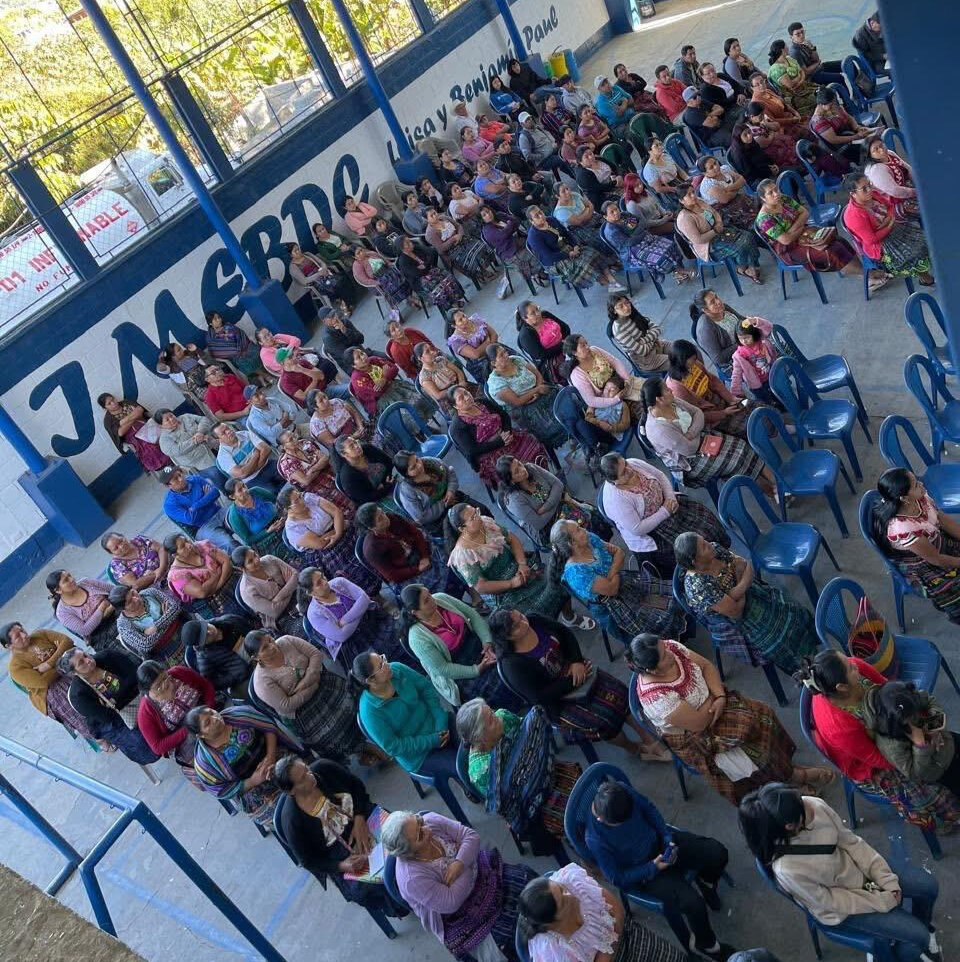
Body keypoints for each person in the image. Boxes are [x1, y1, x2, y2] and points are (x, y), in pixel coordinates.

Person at [739, 784, 942, 962]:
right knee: (919, 937)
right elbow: (830, 901)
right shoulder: (786, 868)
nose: (812, 805)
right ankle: (894, 954)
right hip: (842, 908)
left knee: (928, 887)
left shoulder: (811, 804)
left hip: (860, 876)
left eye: (802, 799)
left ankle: (915, 930)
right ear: (789, 826)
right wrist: (881, 900)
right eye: (803, 808)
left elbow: (851, 842)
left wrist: (884, 879)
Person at [631, 634, 827, 804]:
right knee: (751, 755)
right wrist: (714, 698)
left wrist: (720, 697)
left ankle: (785, 768)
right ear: (653, 671)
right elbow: (699, 722)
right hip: (697, 736)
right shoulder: (656, 697)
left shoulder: (671, 647)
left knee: (763, 714)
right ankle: (791, 779)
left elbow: (707, 666)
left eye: (665, 647)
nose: (670, 652)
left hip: (716, 702)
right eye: (665, 656)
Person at [798, 649, 960, 833]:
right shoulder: (839, 726)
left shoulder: (856, 670)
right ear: (841, 687)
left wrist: (931, 727)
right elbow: (882, 761)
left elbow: (892, 692)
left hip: (902, 736)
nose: (854, 662)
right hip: (873, 763)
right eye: (849, 667)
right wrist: (921, 745)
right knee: (932, 790)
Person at [586, 779, 733, 961]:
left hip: (661, 844)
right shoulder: (595, 839)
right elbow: (617, 878)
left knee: (718, 853)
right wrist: (652, 867)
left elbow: (649, 809)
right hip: (645, 871)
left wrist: (666, 837)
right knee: (694, 904)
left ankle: (706, 882)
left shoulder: (622, 791)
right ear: (601, 820)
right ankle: (708, 945)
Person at [383, 809, 536, 962]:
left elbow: (471, 836)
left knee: (531, 884)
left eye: (419, 821)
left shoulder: (429, 820)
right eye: (420, 835)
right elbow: (452, 902)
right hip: (458, 915)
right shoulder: (411, 878)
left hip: (483, 872)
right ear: (409, 853)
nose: (426, 828)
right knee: (510, 937)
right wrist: (467, 857)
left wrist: (459, 863)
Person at [273, 756, 406, 916]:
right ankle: (406, 900)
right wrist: (342, 866)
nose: (310, 775)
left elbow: (356, 786)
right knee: (372, 884)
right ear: (292, 791)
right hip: (337, 852)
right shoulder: (292, 821)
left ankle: (421, 875)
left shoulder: (324, 768)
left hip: (362, 816)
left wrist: (359, 818)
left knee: (401, 832)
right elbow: (308, 860)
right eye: (303, 778)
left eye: (307, 769)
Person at [488, 607, 636, 749]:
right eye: (517, 625)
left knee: (620, 692)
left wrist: (576, 661)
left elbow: (565, 633)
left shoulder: (534, 620)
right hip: (559, 701)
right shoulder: (512, 664)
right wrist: (573, 681)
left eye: (520, 616)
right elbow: (539, 697)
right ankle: (633, 748)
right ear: (508, 636)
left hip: (575, 670)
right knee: (605, 719)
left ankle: (648, 739)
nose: (524, 622)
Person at [678, 532, 818, 674]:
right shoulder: (697, 586)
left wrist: (734, 592)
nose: (709, 543)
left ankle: (816, 655)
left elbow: (746, 565)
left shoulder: (715, 549)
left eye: (704, 540)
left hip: (752, 595)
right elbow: (737, 613)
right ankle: (807, 672)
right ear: (695, 561)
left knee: (795, 612)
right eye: (703, 546)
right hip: (734, 623)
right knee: (780, 641)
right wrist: (742, 579)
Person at [459, 700, 583, 845]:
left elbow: (531, 735)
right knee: (578, 824)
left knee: (589, 792)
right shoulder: (481, 771)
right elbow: (509, 799)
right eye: (492, 721)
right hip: (531, 805)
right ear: (481, 738)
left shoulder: (503, 717)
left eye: (491, 712)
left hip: (547, 771)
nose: (498, 717)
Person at [518, 863, 686, 962]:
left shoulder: (570, 880)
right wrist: (613, 935)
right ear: (551, 923)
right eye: (563, 900)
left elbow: (618, 910)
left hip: (631, 934)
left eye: (561, 889)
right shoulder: (553, 953)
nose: (569, 894)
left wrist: (609, 945)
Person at [549, 520, 685, 641]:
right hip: (611, 606)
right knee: (650, 632)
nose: (584, 529)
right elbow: (612, 589)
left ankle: (681, 631)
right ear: (571, 543)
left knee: (670, 597)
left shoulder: (588, 538)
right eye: (578, 530)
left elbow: (619, 552)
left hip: (625, 581)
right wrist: (615, 566)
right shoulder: (576, 573)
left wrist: (610, 575)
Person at [447, 503, 581, 624]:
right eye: (473, 517)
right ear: (462, 528)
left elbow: (512, 539)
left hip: (518, 568)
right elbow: (481, 586)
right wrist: (511, 583)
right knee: (533, 616)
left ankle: (569, 617)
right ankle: (551, 633)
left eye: (476, 511)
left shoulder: (485, 524)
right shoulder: (463, 555)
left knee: (559, 581)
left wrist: (522, 564)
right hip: (502, 592)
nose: (478, 516)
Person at [245, 630, 366, 763]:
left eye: (270, 639)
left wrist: (306, 681)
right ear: (256, 657)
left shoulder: (286, 641)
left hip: (325, 684)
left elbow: (315, 654)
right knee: (336, 732)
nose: (272, 645)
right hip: (304, 712)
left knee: (358, 704)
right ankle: (362, 751)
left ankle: (370, 735)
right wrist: (313, 684)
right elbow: (286, 705)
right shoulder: (261, 681)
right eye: (265, 647)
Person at [600, 453, 729, 573]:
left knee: (709, 523)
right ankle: (714, 574)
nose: (629, 469)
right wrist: (665, 512)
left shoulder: (633, 463)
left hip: (669, 505)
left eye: (625, 464)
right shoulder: (615, 500)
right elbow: (637, 529)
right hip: (655, 531)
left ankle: (723, 557)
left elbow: (660, 475)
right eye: (623, 472)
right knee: (693, 550)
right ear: (615, 482)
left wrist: (670, 498)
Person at [186, 703, 303, 828]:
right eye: (207, 722)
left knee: (305, 784)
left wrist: (270, 757)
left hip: (276, 758)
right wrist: (253, 780)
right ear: (201, 735)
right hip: (251, 789)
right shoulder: (204, 763)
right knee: (286, 819)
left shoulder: (240, 715)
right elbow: (221, 790)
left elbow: (269, 727)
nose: (215, 718)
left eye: (212, 712)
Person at [401, 585, 518, 710]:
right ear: (415, 612)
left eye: (429, 594)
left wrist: (487, 641)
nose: (432, 599)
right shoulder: (417, 638)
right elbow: (442, 668)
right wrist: (476, 670)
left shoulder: (441, 598)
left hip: (478, 644)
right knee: (497, 686)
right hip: (459, 668)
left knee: (512, 660)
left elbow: (472, 615)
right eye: (426, 601)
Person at [872, 468, 960, 623]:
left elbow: (940, 517)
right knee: (954, 586)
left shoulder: (919, 497)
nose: (921, 484)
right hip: (924, 562)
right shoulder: (903, 528)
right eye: (915, 485)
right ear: (904, 498)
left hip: (935, 541)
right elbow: (936, 559)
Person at [353, 650, 456, 775]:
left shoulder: (397, 668)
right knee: (460, 766)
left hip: (437, 722)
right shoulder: (369, 711)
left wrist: (441, 723)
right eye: (381, 666)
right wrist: (432, 740)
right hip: (419, 755)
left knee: (477, 735)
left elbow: (426, 689)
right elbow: (394, 746)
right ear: (370, 680)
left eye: (382, 658)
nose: (387, 664)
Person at [58, 648, 159, 764]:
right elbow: (105, 716)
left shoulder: (108, 656)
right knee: (145, 747)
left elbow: (134, 674)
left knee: (166, 711)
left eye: (85, 655)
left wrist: (124, 700)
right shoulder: (78, 695)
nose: (88, 660)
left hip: (136, 696)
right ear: (74, 673)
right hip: (113, 719)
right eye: (81, 663)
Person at [1, 623, 95, 741]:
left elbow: (67, 641)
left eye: (22, 630)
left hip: (68, 668)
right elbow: (43, 682)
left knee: (86, 664)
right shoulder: (15, 666)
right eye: (17, 636)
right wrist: (61, 661)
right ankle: (99, 737)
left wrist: (48, 664)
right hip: (50, 690)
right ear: (8, 646)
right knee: (69, 697)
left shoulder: (40, 634)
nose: (24, 635)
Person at [863, 680, 960, 795]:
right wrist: (920, 746)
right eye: (907, 722)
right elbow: (915, 773)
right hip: (941, 770)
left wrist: (934, 725)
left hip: (949, 742)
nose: (915, 720)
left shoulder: (905, 696)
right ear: (893, 724)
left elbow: (928, 700)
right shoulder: (890, 745)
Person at [279, 487, 381, 596]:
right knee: (355, 569)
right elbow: (320, 543)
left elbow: (336, 512)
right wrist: (339, 529)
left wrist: (337, 533)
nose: (302, 500)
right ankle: (375, 597)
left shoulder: (308, 498)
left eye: (300, 496)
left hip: (340, 528)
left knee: (372, 543)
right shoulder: (292, 528)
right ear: (287, 509)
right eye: (297, 501)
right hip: (326, 551)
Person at [448, 385, 552, 486]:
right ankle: (538, 490)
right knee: (517, 469)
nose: (467, 397)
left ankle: (548, 480)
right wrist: (500, 442)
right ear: (455, 406)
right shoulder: (457, 427)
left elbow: (503, 414)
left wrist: (507, 432)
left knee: (534, 445)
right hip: (490, 455)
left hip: (508, 437)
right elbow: (472, 450)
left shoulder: (482, 402)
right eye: (461, 398)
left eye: (466, 393)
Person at [755, 179, 859, 280]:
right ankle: (868, 274)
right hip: (789, 250)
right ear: (763, 198)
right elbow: (785, 240)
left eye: (776, 189)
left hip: (804, 233)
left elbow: (805, 213)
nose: (776, 194)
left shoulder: (783, 199)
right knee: (831, 252)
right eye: (770, 193)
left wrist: (792, 230)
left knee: (839, 240)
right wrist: (800, 226)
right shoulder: (764, 219)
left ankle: (865, 274)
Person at [298, 567, 399, 666]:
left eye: (323, 577)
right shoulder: (314, 614)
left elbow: (365, 598)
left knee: (400, 637)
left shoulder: (339, 582)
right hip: (354, 642)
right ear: (311, 593)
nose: (325, 582)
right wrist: (360, 610)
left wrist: (345, 620)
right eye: (319, 583)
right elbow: (341, 636)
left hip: (372, 618)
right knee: (381, 664)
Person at [843, 174, 933, 284]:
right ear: (853, 194)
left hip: (895, 228)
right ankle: (927, 279)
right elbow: (871, 239)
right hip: (881, 246)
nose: (870, 190)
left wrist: (889, 219)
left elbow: (890, 206)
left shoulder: (873, 194)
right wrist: (889, 224)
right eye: (864, 189)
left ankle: (931, 273)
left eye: (869, 185)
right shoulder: (853, 216)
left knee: (928, 240)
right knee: (914, 256)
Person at [497, 456, 610, 545]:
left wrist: (546, 507)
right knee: (582, 529)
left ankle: (605, 548)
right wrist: (558, 498)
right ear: (511, 481)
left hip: (561, 505)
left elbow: (558, 484)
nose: (523, 470)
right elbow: (539, 523)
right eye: (517, 471)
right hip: (546, 528)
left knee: (592, 515)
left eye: (519, 464)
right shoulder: (514, 500)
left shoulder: (531, 468)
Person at [356, 503, 455, 595]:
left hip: (419, 550)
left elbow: (416, 533)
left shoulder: (392, 518)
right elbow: (391, 574)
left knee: (452, 563)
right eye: (380, 518)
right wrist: (417, 569)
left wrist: (424, 556)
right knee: (434, 591)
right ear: (371, 528)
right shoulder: (372, 548)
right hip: (406, 569)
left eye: (382, 512)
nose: (385, 517)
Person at [666, 339, 757, 438]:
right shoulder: (676, 388)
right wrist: (723, 413)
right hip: (712, 416)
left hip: (721, 401)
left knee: (754, 408)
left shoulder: (694, 365)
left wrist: (730, 398)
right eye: (692, 358)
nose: (695, 360)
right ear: (681, 361)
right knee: (750, 425)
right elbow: (697, 414)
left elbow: (713, 381)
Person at [135, 661, 215, 774]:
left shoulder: (178, 672)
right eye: (158, 686)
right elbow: (158, 746)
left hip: (207, 712)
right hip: (185, 740)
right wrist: (190, 728)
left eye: (164, 677)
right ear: (148, 691)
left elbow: (205, 686)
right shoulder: (145, 712)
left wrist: (208, 709)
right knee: (212, 764)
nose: (165, 685)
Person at [676, 185, 762, 284]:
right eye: (688, 195)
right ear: (681, 200)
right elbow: (699, 240)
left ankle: (751, 266)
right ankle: (742, 268)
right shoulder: (684, 218)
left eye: (693, 192)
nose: (693, 195)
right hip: (709, 245)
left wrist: (719, 223)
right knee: (741, 245)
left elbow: (715, 213)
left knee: (748, 235)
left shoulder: (699, 202)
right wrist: (716, 231)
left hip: (719, 231)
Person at [486, 345, 566, 449]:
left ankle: (581, 435)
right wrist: (537, 390)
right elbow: (517, 401)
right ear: (493, 363)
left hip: (540, 393)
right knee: (557, 422)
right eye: (501, 355)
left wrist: (538, 388)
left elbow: (537, 374)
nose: (506, 355)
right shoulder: (496, 383)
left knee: (568, 401)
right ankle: (570, 437)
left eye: (505, 351)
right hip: (524, 409)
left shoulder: (516, 360)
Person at [601, 201, 689, 283]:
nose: (616, 213)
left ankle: (679, 270)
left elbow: (642, 222)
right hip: (631, 251)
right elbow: (629, 242)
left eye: (616, 209)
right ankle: (678, 272)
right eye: (611, 212)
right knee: (660, 257)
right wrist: (639, 232)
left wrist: (636, 233)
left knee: (670, 245)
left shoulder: (625, 215)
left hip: (644, 238)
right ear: (605, 217)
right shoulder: (611, 231)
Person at [163, 533, 244, 619]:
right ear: (175, 555)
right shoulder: (177, 576)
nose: (189, 545)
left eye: (186, 540)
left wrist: (218, 584)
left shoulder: (203, 545)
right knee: (238, 618)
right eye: (183, 546)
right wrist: (216, 574)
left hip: (231, 577)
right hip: (215, 601)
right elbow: (202, 592)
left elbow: (227, 562)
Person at [345, 347, 435, 422]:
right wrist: (385, 374)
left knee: (421, 397)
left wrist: (383, 378)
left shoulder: (373, 360)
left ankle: (426, 425)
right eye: (358, 357)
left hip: (395, 387)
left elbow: (394, 368)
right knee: (407, 416)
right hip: (382, 402)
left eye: (362, 353)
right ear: (354, 365)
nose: (363, 357)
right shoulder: (357, 379)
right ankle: (422, 433)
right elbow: (377, 391)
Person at [276, 430, 353, 515]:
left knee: (350, 484)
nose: (295, 439)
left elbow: (326, 458)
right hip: (317, 488)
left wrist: (313, 469)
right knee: (344, 509)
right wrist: (320, 464)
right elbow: (306, 481)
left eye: (294, 436)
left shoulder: (305, 443)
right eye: (291, 440)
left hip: (331, 474)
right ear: (283, 447)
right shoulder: (286, 463)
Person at [110, 584, 185, 666]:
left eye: (133, 593)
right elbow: (146, 644)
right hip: (167, 653)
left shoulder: (150, 592)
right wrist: (166, 616)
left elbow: (175, 608)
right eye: (130, 602)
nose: (136, 598)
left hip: (182, 627)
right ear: (122, 609)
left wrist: (154, 628)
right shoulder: (123, 625)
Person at [160, 467, 234, 550]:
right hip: (202, 527)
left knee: (241, 517)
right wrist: (205, 497)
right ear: (168, 486)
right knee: (228, 542)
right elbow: (191, 519)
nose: (181, 479)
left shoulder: (194, 479)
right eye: (176, 479)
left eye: (180, 475)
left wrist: (195, 506)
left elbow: (215, 492)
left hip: (218, 512)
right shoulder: (169, 505)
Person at [47, 570, 119, 653]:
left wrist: (109, 610)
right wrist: (102, 608)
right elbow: (85, 630)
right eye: (66, 580)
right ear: (58, 590)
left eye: (69, 575)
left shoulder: (86, 582)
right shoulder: (62, 612)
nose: (72, 579)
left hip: (117, 612)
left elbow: (115, 590)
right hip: (103, 634)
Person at [689, 288, 754, 377]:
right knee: (760, 367)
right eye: (712, 302)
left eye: (716, 297)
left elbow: (741, 319)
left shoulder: (723, 308)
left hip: (745, 341)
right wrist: (741, 343)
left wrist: (751, 322)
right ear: (705, 310)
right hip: (731, 359)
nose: (718, 302)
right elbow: (718, 358)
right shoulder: (705, 329)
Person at [234, 546, 300, 635]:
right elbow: (275, 612)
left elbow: (296, 575)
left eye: (255, 555)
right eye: (250, 561)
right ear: (243, 569)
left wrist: (278, 597)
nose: (257, 560)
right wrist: (290, 585)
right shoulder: (246, 590)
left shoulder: (269, 559)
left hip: (298, 593)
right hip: (284, 617)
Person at [98, 393, 170, 473]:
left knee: (162, 433)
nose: (113, 403)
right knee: (146, 444)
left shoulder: (126, 403)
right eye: (109, 403)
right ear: (105, 408)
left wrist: (123, 422)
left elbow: (140, 410)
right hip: (132, 436)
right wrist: (133, 417)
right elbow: (120, 433)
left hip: (145, 426)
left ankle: (171, 455)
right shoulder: (108, 420)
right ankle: (162, 465)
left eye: (113, 399)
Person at [424, 207, 497, 284]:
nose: (435, 216)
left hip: (463, 240)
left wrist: (459, 234)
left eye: (435, 213)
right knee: (472, 257)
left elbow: (458, 226)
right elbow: (441, 248)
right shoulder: (430, 234)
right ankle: (481, 274)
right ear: (427, 219)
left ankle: (489, 264)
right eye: (431, 216)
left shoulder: (443, 218)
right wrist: (454, 239)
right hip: (452, 250)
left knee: (482, 245)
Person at [181, 617, 253, 694]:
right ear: (202, 644)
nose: (210, 632)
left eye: (207, 627)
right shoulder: (204, 656)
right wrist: (235, 676)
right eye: (206, 636)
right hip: (246, 676)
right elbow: (211, 683)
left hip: (258, 653)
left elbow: (252, 631)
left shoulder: (229, 620)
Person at [810, 88, 878, 165]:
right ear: (821, 104)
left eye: (833, 102)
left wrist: (857, 127)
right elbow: (834, 139)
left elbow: (848, 117)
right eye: (831, 104)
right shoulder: (818, 122)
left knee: (877, 136)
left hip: (851, 134)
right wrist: (856, 137)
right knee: (873, 145)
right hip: (844, 146)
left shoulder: (832, 108)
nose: (833, 106)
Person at [154, 409, 221, 487]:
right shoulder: (164, 440)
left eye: (171, 416)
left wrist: (200, 432)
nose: (171, 419)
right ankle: (229, 491)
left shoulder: (185, 417)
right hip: (199, 462)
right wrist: (194, 441)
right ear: (161, 425)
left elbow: (204, 419)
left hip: (214, 446)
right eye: (167, 420)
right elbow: (177, 450)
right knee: (216, 473)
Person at [607, 294, 671, 374]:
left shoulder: (633, 315)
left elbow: (657, 329)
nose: (626, 307)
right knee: (677, 362)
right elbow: (642, 351)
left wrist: (643, 340)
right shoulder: (619, 330)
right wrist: (652, 338)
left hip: (657, 345)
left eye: (627, 303)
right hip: (646, 359)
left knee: (682, 349)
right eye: (621, 306)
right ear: (614, 310)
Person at [287, 242, 356, 315]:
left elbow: (321, 263)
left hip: (325, 274)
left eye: (298, 249)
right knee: (336, 284)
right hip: (315, 283)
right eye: (295, 251)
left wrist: (324, 269)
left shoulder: (307, 254)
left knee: (342, 278)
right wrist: (318, 274)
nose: (298, 251)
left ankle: (347, 303)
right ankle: (345, 304)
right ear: (291, 255)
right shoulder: (293, 267)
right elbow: (304, 280)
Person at [224, 479, 288, 558]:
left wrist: (283, 517)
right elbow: (248, 539)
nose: (245, 490)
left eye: (244, 486)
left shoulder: (256, 491)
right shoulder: (234, 516)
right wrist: (268, 532)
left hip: (282, 522)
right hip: (266, 540)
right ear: (232, 496)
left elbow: (277, 502)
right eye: (240, 490)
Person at [862, 134, 919, 218]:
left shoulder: (889, 153)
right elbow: (895, 191)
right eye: (876, 149)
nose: (881, 149)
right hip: (893, 202)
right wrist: (917, 191)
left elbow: (907, 167)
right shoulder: (876, 170)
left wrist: (918, 181)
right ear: (870, 155)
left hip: (904, 187)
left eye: (881, 145)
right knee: (927, 205)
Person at [515, 300, 570, 384]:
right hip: (551, 360)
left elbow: (565, 328)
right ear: (525, 318)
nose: (538, 313)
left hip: (565, 346)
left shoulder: (545, 315)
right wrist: (563, 345)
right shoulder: (526, 335)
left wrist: (567, 343)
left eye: (537, 309)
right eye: (533, 313)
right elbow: (541, 355)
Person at [696, 156, 757, 230]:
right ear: (705, 173)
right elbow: (725, 199)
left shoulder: (724, 169)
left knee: (759, 206)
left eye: (715, 163)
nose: (716, 167)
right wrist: (737, 187)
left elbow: (742, 180)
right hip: (724, 209)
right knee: (750, 219)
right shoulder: (708, 185)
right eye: (711, 167)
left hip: (738, 199)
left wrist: (728, 189)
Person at [213, 423, 279, 490]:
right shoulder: (222, 457)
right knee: (274, 493)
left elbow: (266, 449)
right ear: (219, 440)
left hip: (267, 465)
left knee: (288, 472)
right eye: (223, 433)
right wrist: (255, 456)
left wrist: (250, 469)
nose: (228, 431)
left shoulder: (245, 434)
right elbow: (242, 474)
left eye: (227, 428)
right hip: (253, 480)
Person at [352, 245, 419, 310]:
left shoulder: (371, 253)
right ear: (354, 257)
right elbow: (365, 280)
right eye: (358, 253)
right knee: (393, 283)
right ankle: (412, 300)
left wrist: (390, 266)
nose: (362, 252)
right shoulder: (357, 266)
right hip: (377, 281)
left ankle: (410, 298)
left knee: (402, 276)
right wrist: (378, 282)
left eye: (361, 250)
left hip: (388, 272)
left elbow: (385, 260)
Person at [334, 436, 394, 506]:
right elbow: (366, 498)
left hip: (391, 478)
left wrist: (386, 481)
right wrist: (386, 487)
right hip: (377, 501)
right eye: (352, 446)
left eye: (355, 442)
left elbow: (388, 461)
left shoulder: (368, 448)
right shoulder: (348, 476)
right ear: (344, 454)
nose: (357, 446)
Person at [730, 320, 780, 403]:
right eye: (740, 338)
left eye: (747, 337)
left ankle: (781, 405)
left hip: (771, 375)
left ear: (754, 334)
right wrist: (735, 391)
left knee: (777, 394)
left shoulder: (762, 341)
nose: (744, 341)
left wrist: (755, 320)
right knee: (765, 400)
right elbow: (736, 373)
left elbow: (769, 327)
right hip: (757, 385)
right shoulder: (739, 355)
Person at [100, 532, 168, 591]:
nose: (121, 546)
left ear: (123, 537)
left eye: (121, 541)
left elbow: (160, 548)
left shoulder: (139, 540)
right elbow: (136, 584)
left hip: (167, 565)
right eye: (116, 548)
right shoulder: (117, 565)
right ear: (112, 553)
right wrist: (156, 574)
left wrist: (162, 568)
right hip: (155, 586)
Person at [766, 40, 818, 117]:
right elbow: (790, 85)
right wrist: (800, 78)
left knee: (824, 90)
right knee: (820, 97)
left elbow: (802, 71)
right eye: (786, 46)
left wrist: (800, 80)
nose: (788, 48)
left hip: (804, 86)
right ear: (782, 50)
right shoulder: (776, 69)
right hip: (794, 95)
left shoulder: (789, 58)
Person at [204, 311, 264, 378]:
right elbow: (216, 351)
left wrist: (240, 347)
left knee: (256, 352)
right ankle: (265, 375)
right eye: (215, 319)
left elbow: (241, 334)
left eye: (219, 317)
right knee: (244, 361)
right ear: (210, 323)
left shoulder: (228, 326)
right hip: (234, 356)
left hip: (245, 346)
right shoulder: (211, 337)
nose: (219, 320)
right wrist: (235, 351)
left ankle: (262, 376)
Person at [517, 112, 575, 179]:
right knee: (562, 160)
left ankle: (577, 170)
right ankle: (575, 176)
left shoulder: (537, 127)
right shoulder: (524, 137)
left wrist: (553, 143)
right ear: (522, 124)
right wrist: (541, 155)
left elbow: (548, 135)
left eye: (530, 118)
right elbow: (527, 156)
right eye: (527, 120)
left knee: (567, 149)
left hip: (552, 151)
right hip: (543, 160)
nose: (530, 120)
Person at [787, 22, 844, 87]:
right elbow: (806, 72)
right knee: (839, 77)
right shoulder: (795, 52)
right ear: (791, 37)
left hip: (819, 68)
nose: (802, 35)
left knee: (845, 63)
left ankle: (857, 84)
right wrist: (817, 63)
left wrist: (812, 48)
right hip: (812, 76)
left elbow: (816, 59)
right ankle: (848, 96)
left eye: (802, 32)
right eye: (798, 34)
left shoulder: (804, 43)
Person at [447, 309, 498, 382]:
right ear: (454, 325)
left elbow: (494, 334)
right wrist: (487, 341)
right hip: (481, 364)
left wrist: (491, 347)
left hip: (494, 349)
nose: (465, 319)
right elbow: (476, 354)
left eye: (464, 316)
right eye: (460, 320)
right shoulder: (456, 340)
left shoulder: (476, 320)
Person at [852, 12, 887, 77]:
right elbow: (865, 55)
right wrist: (883, 56)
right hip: (878, 62)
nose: (882, 30)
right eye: (880, 28)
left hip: (889, 55)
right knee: (895, 69)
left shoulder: (882, 26)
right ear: (872, 23)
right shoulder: (861, 36)